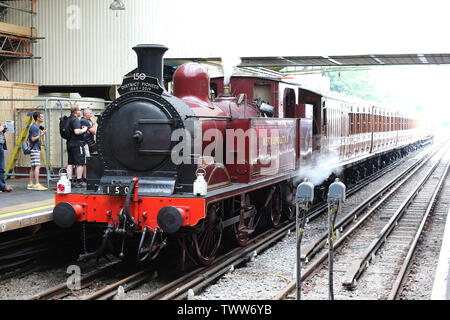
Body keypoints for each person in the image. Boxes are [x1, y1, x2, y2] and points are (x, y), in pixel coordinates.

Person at [67, 104, 88, 188]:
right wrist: (84, 129)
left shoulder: (68, 119)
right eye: (80, 110)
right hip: (77, 143)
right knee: (80, 162)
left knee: (70, 162)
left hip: (69, 143)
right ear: (76, 111)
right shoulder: (75, 120)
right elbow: (76, 131)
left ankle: (69, 181)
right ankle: (79, 181)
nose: (81, 111)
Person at [28, 111, 47, 191]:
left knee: (33, 166)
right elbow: (33, 139)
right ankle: (37, 184)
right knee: (37, 166)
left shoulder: (36, 127)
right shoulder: (34, 127)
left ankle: (30, 183)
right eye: (41, 117)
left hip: (34, 148)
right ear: (38, 118)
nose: (42, 118)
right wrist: (41, 134)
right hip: (35, 148)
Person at [80, 108, 97, 182]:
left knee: (86, 161)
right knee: (86, 161)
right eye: (90, 113)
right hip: (86, 143)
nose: (91, 115)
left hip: (87, 143)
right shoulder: (84, 121)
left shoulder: (83, 121)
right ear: (86, 114)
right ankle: (85, 177)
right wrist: (93, 124)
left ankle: (85, 176)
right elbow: (93, 132)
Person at [0, 123, 12, 192]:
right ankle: (3, 187)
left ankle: (2, 187)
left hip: (1, 146)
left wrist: (4, 128)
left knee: (2, 168)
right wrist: (1, 128)